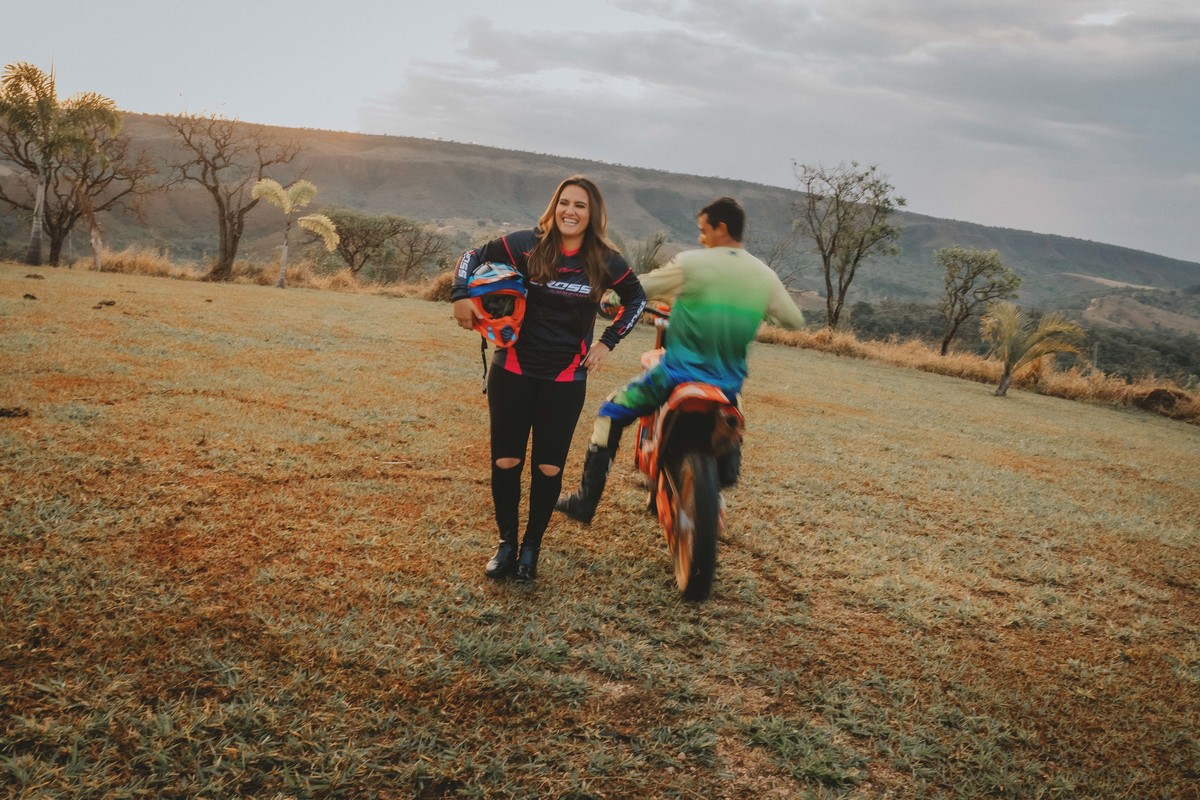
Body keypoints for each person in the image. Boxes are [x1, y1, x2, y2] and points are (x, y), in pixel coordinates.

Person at [556, 196, 806, 523]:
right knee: (735, 417)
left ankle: (585, 502)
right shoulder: (765, 275)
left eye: (704, 230)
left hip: (675, 375)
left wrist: (613, 298)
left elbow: (641, 287)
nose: (701, 238)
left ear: (721, 228)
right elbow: (793, 320)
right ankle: (724, 467)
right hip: (728, 385)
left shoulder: (692, 264)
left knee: (609, 413)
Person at [452, 175, 646, 581]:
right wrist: (461, 296)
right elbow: (471, 256)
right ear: (555, 206)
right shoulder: (527, 243)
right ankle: (506, 544)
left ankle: (531, 548)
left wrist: (607, 342)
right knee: (506, 460)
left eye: (580, 205)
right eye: (564, 202)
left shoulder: (605, 259)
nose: (570, 211)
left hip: (565, 378)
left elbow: (637, 299)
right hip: (512, 369)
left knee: (548, 468)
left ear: (592, 214)